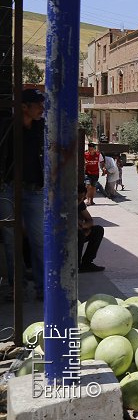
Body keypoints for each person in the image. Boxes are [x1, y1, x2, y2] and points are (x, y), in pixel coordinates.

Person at [0, 88, 46, 301]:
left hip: (35, 190)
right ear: (24, 107)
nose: (42, 109)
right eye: (38, 104)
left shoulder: (42, 129)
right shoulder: (7, 127)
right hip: (9, 189)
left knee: (38, 240)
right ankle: (17, 287)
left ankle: (42, 287)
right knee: (11, 240)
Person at [77, 182, 105, 272]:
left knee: (98, 230)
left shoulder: (80, 203)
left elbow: (89, 220)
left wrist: (84, 226)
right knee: (79, 234)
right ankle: (76, 264)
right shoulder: (63, 205)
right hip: (64, 236)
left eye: (82, 198)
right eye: (77, 198)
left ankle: (87, 263)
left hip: (79, 230)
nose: (80, 200)